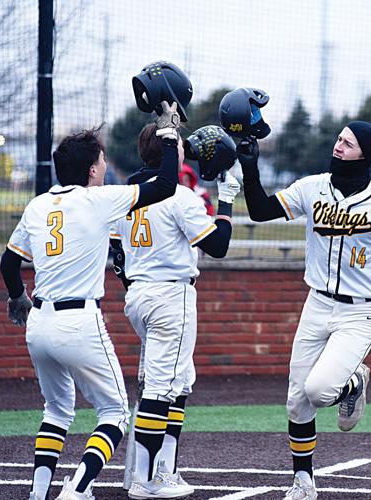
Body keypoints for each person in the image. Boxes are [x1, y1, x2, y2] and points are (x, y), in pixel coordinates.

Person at [0, 103, 182, 500]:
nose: (103, 166)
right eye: (100, 160)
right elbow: (165, 186)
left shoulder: (37, 204)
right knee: (115, 413)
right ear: (92, 170)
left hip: (39, 323)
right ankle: (78, 489)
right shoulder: (98, 200)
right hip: (79, 322)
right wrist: (168, 137)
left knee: (56, 411)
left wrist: (18, 297)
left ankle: (39, 493)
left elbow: (9, 262)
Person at [240, 121, 371, 500]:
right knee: (296, 398)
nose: (338, 146)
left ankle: (354, 382)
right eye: (339, 139)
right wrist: (250, 167)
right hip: (318, 302)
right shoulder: (313, 188)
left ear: (366, 154)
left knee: (320, 391)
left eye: (348, 143)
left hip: (361, 312)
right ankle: (304, 482)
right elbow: (260, 211)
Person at [110, 123, 240, 499]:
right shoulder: (180, 197)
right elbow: (217, 246)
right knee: (163, 386)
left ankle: (163, 470)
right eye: (180, 146)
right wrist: (227, 202)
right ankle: (146, 480)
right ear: (170, 151)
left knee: (178, 382)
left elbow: (117, 255)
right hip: (171, 296)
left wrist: (136, 285)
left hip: (139, 295)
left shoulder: (125, 193)